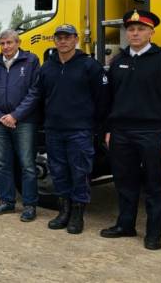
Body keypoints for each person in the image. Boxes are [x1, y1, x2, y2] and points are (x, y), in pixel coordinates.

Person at [100, 10, 161, 251]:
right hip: (121, 132)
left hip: (151, 132)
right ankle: (125, 225)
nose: (135, 33)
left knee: (153, 185)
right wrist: (109, 129)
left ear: (151, 32)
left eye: (140, 29)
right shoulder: (117, 61)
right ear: (126, 33)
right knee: (124, 182)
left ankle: (153, 233)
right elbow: (109, 99)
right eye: (131, 29)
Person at [38, 24, 108, 234]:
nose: (63, 41)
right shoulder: (47, 67)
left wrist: (95, 126)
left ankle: (78, 214)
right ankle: (64, 211)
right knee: (58, 172)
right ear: (54, 41)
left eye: (67, 37)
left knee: (80, 172)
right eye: (59, 37)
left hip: (80, 130)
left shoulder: (89, 66)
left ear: (76, 39)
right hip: (54, 130)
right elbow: (40, 97)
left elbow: (102, 99)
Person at [0, 29, 41, 222]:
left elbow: (35, 92)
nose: (6, 47)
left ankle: (30, 205)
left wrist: (15, 115)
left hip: (23, 122)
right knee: (2, 163)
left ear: (18, 42)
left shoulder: (30, 61)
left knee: (27, 164)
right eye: (3, 43)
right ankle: (7, 201)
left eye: (10, 43)